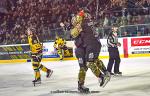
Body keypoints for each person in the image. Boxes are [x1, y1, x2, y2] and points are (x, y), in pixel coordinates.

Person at [71, 9, 111, 93]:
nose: (76, 21)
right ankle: (81, 85)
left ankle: (102, 75)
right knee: (84, 67)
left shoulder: (84, 23)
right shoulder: (77, 27)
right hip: (81, 49)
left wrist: (82, 15)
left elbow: (82, 18)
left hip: (89, 45)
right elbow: (74, 33)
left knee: (91, 62)